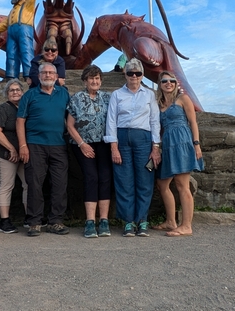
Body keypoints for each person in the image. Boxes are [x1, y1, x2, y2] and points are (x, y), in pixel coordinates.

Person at [104, 58, 161, 237]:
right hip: (122, 139)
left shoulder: (149, 94)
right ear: (125, 74)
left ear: (142, 75)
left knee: (145, 179)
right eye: (130, 73)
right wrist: (114, 147)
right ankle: (128, 221)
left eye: (137, 73)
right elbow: (111, 121)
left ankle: (142, 220)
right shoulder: (117, 95)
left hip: (143, 138)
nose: (134, 76)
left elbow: (154, 121)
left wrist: (156, 147)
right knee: (124, 180)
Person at [16, 62, 70, 237]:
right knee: (35, 184)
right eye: (44, 73)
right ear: (38, 76)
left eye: (50, 73)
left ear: (56, 76)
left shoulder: (64, 94)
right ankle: (34, 222)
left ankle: (56, 221)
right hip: (34, 144)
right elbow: (20, 121)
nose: (47, 75)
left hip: (59, 145)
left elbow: (70, 119)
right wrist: (23, 145)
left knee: (60, 184)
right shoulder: (29, 95)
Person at [153, 71, 204, 237]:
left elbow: (193, 122)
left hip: (182, 143)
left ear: (176, 83)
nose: (169, 83)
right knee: (162, 184)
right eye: (165, 81)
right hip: (167, 145)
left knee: (182, 185)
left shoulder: (183, 99)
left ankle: (186, 225)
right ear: (160, 84)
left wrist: (196, 144)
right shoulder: (159, 104)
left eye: (172, 81)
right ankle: (171, 221)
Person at [66, 65, 112, 238]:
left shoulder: (107, 98)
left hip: (103, 143)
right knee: (91, 177)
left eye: (97, 78)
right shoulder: (77, 98)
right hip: (82, 143)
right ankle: (90, 221)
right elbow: (69, 125)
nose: (94, 81)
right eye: (91, 78)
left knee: (105, 177)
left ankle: (105, 221)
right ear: (85, 81)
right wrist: (82, 144)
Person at [0, 79, 29, 234]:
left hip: (24, 153)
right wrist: (12, 149)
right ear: (7, 94)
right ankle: (4, 221)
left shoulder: (25, 109)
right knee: (7, 185)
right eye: (11, 90)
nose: (15, 92)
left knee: (29, 184)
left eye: (17, 90)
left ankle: (30, 217)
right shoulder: (3, 109)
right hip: (7, 154)